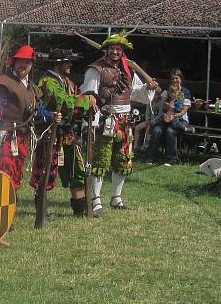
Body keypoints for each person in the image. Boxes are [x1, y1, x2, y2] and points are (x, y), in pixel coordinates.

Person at [80, 34, 158, 216]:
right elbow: (88, 95)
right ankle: (96, 199)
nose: (115, 51)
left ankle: (116, 198)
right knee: (100, 160)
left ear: (123, 51)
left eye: (119, 48)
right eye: (112, 48)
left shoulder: (127, 69)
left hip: (125, 121)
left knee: (123, 161)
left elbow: (136, 92)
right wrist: (91, 121)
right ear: (106, 49)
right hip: (104, 120)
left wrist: (148, 87)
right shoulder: (96, 69)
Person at [34, 48, 92, 217]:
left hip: (67, 131)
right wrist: (87, 100)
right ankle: (41, 213)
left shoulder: (66, 81)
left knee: (76, 168)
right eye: (67, 62)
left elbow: (73, 104)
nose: (70, 65)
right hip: (50, 132)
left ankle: (79, 210)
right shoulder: (47, 81)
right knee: (46, 171)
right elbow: (64, 103)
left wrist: (86, 103)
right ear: (58, 64)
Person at [0, 45, 52, 192]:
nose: (23, 65)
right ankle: (1, 207)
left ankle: (11, 205)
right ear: (13, 62)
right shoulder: (3, 83)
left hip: (22, 138)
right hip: (5, 137)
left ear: (31, 65)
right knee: (4, 171)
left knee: (17, 172)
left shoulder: (32, 87)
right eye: (20, 61)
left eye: (27, 62)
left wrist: (52, 116)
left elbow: (40, 111)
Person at [145, 69, 191, 167]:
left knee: (170, 131)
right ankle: (150, 157)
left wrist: (174, 115)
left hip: (179, 120)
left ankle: (172, 158)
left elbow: (183, 110)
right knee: (157, 130)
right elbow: (158, 102)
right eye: (172, 78)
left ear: (181, 79)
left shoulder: (184, 92)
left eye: (176, 78)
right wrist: (155, 96)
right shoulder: (167, 91)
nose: (174, 80)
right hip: (166, 118)